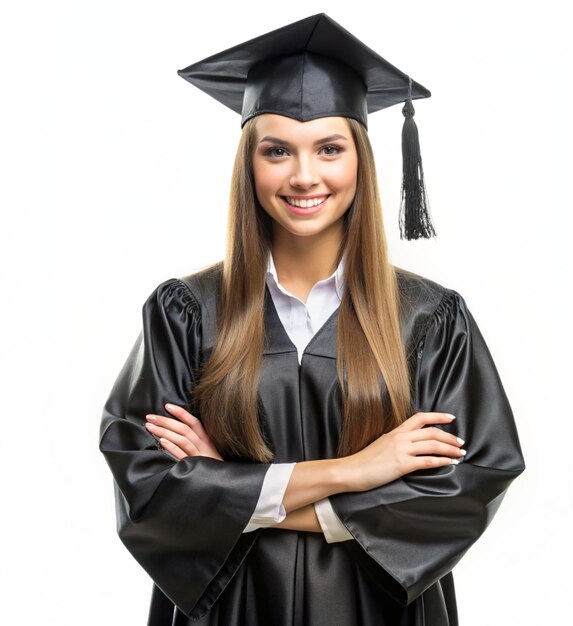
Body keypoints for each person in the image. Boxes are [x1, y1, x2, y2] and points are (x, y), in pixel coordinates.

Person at [99, 13, 525, 626]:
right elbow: (149, 485)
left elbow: (467, 482)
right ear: (250, 163)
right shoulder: (186, 313)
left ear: (362, 159)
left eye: (329, 148)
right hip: (230, 609)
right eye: (277, 151)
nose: (304, 175)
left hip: (376, 609)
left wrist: (233, 489)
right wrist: (356, 472)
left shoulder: (429, 320)